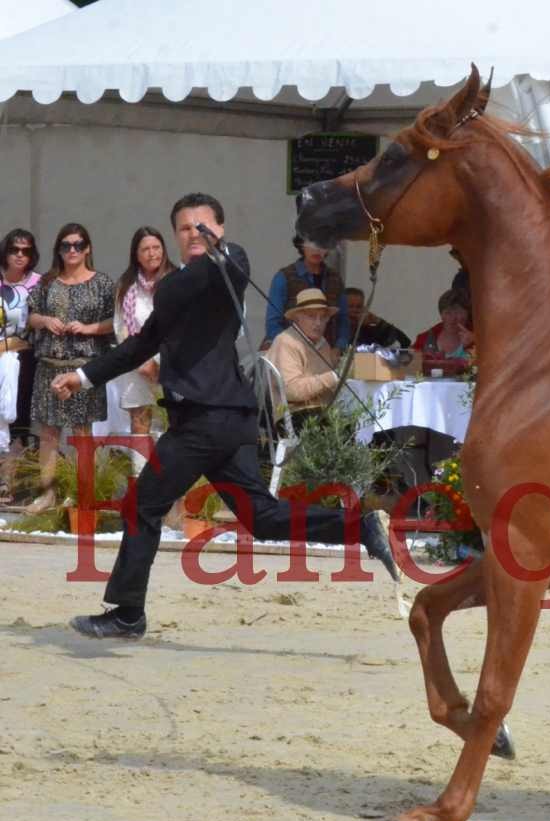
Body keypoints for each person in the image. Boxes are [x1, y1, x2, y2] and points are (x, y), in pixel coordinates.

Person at [51, 191, 397, 640]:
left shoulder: (229, 266)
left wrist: (213, 254)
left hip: (205, 422)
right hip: (227, 422)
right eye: (184, 227)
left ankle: (126, 613)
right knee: (262, 518)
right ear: (175, 235)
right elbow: (139, 346)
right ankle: (361, 526)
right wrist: (82, 375)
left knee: (141, 506)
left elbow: (214, 270)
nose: (194, 233)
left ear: (221, 229)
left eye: (203, 225)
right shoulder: (180, 287)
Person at [25, 224, 116, 514]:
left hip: (83, 370)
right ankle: (47, 494)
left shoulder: (102, 283)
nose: (72, 251)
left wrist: (88, 328)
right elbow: (30, 316)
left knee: (82, 432)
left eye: (78, 245)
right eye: (66, 246)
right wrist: (45, 321)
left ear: (88, 248)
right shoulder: (48, 282)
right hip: (50, 365)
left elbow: (115, 322)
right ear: (59, 250)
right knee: (48, 433)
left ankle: (82, 495)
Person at [111, 226, 175, 475]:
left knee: (171, 424)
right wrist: (143, 362)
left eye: (156, 247)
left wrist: (159, 362)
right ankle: (142, 484)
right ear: (136, 254)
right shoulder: (126, 286)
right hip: (136, 366)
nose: (152, 253)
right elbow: (121, 327)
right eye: (145, 249)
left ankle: (170, 488)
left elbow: (180, 327)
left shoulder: (176, 280)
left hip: (170, 366)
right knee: (140, 422)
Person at [265, 287, 341, 431]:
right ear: (298, 318)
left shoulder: (323, 343)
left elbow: (330, 387)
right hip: (294, 417)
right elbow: (292, 390)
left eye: (323, 317)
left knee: (366, 421)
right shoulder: (286, 341)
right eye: (312, 316)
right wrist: (334, 376)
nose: (318, 323)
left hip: (323, 413)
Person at [1, 228, 42, 474]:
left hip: (24, 359)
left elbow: (35, 328)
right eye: (14, 250)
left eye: (25, 251)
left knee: (18, 416)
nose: (19, 255)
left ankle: (10, 476)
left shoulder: (38, 284)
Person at [264, 235, 348, 347]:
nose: (317, 249)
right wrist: (293, 346)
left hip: (328, 352)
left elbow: (343, 320)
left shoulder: (336, 279)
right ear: (301, 244)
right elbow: (273, 323)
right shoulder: (283, 277)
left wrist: (339, 347)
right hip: (290, 349)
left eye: (323, 244)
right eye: (312, 243)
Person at [413, 289, 474, 375]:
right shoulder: (424, 339)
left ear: (467, 314)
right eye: (448, 313)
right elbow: (411, 366)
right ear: (441, 315)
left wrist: (475, 343)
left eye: (459, 312)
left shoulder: (477, 338)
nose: (453, 318)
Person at [344, 287, 410, 348]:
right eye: (350, 306)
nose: (355, 310)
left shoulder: (369, 332)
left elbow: (405, 343)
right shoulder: (335, 329)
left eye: (359, 307)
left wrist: (377, 321)